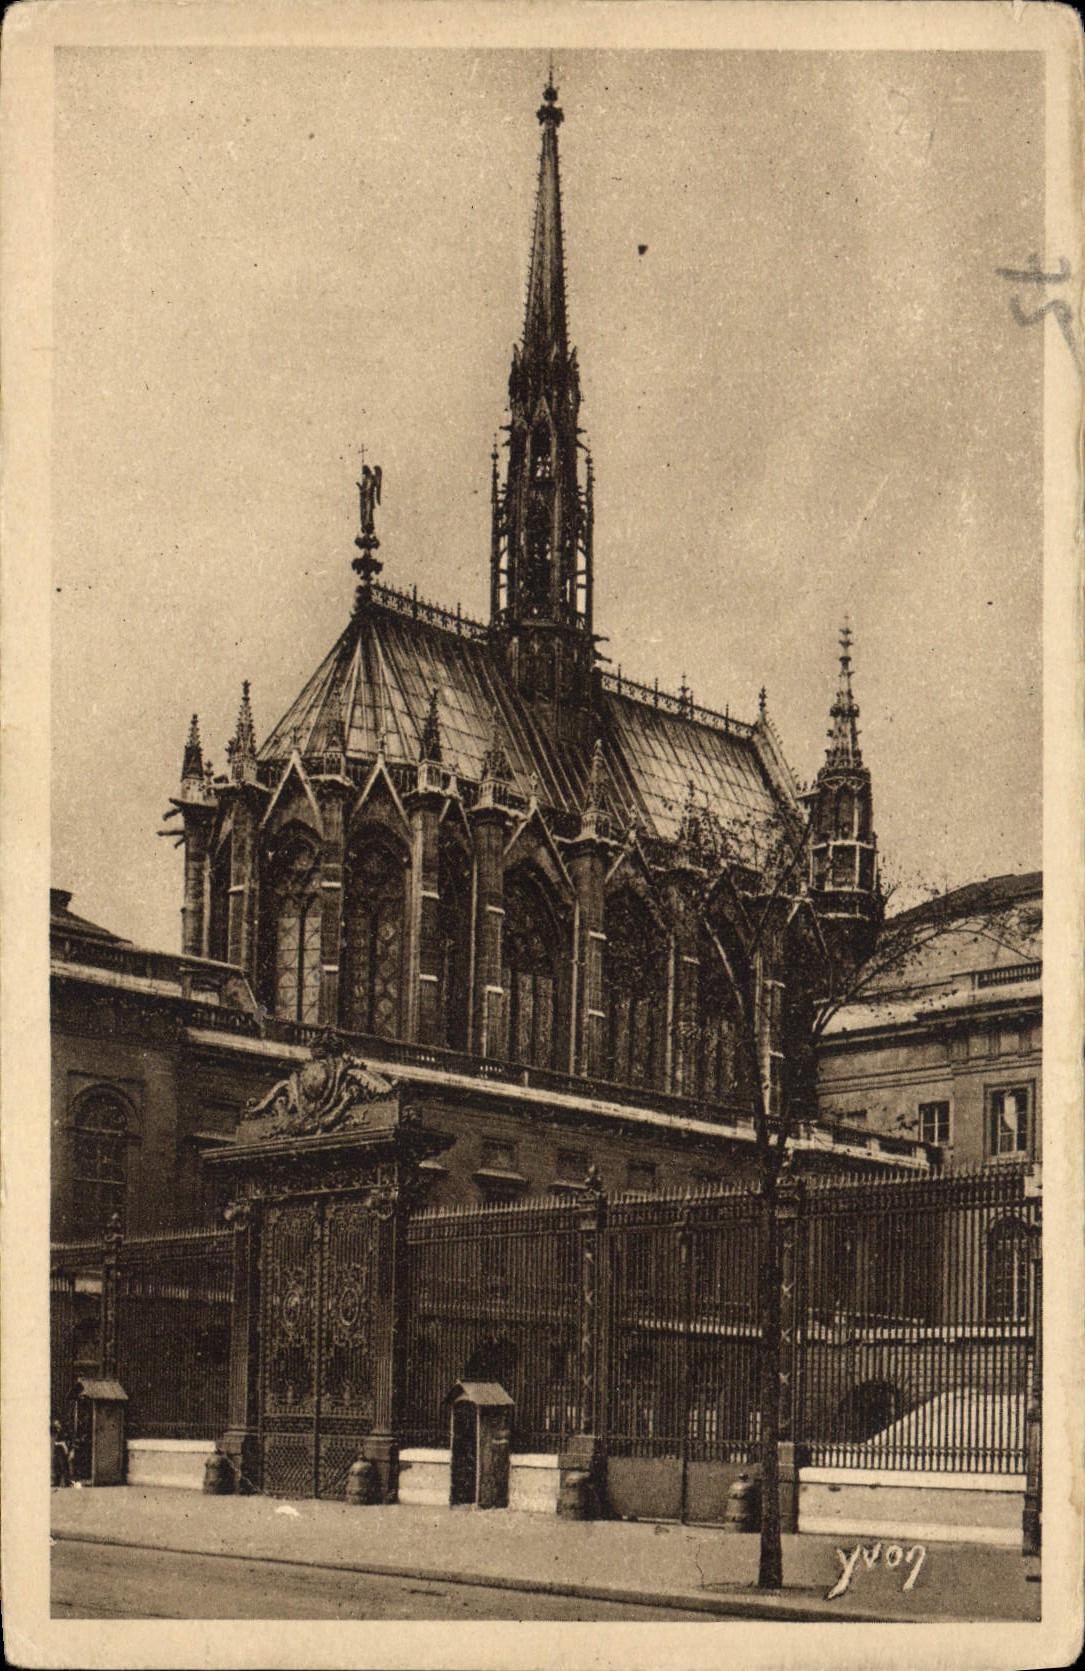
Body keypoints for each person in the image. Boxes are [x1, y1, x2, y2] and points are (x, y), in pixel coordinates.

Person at [51, 1419, 73, 1488]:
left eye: (57, 1423)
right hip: (59, 1451)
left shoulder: (61, 1433)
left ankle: (65, 1482)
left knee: (63, 1465)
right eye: (55, 1424)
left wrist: (65, 1449)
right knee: (59, 1466)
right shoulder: (56, 1432)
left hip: (61, 1451)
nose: (56, 1425)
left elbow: (62, 1443)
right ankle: (60, 1481)